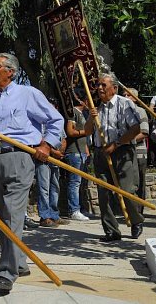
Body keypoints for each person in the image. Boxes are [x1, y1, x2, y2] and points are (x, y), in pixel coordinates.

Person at [0, 53, 64, 292]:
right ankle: (20, 261)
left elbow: (56, 120)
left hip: (19, 157)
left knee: (13, 214)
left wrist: (46, 145)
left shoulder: (28, 94)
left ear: (10, 71)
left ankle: (6, 271)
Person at [84, 72, 144, 242]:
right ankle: (111, 230)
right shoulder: (97, 108)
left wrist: (116, 144)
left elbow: (135, 129)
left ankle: (136, 221)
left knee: (127, 190)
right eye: (98, 85)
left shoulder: (125, 104)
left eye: (104, 85)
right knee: (103, 192)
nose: (100, 88)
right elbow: (88, 131)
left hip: (122, 151)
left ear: (114, 88)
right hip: (100, 152)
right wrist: (91, 116)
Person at [35, 97, 69, 228]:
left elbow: (64, 138)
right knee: (44, 188)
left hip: (56, 160)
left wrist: (60, 151)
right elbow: (40, 140)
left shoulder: (58, 121)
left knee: (55, 187)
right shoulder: (40, 121)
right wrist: (53, 152)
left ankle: (54, 214)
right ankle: (45, 216)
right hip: (43, 159)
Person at [64, 92, 91, 221]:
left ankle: (81, 208)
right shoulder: (73, 112)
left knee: (81, 183)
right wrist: (85, 132)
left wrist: (86, 149)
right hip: (73, 152)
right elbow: (70, 131)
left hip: (81, 151)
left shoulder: (82, 114)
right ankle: (74, 210)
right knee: (74, 182)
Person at [124, 88, 150, 215]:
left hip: (138, 152)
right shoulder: (120, 111)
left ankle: (139, 210)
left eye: (128, 95)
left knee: (139, 182)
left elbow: (144, 132)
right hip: (123, 152)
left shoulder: (140, 111)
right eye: (124, 95)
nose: (125, 97)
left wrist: (127, 140)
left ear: (135, 98)